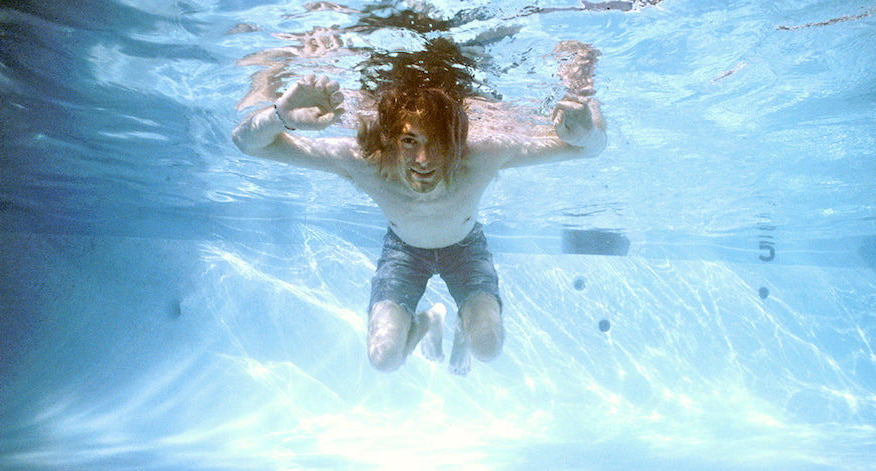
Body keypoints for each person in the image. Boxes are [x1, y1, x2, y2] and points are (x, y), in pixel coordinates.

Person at [231, 44, 606, 375]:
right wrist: (279, 115)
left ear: (455, 139)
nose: (423, 159)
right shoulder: (365, 159)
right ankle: (427, 321)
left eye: (437, 142)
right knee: (384, 359)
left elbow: (589, 148)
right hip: (404, 253)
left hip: (465, 249)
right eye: (409, 140)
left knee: (487, 348)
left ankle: (464, 326)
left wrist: (587, 131)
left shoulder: (483, 153)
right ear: (391, 139)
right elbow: (246, 143)